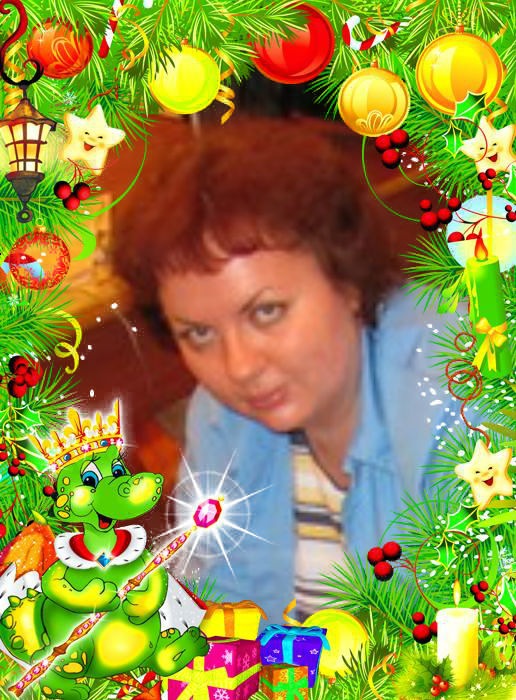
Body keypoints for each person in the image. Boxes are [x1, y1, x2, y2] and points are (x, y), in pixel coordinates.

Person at [110, 116, 450, 624]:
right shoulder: (220, 421)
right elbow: (215, 616)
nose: (240, 367)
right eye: (199, 334)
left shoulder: (456, 397)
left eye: (266, 312)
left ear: (348, 279)